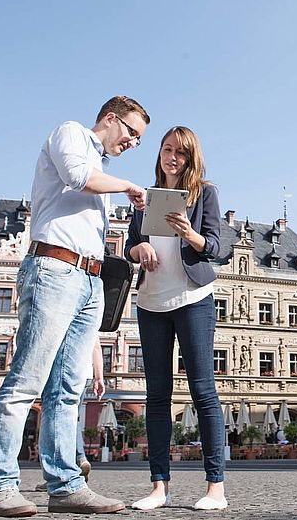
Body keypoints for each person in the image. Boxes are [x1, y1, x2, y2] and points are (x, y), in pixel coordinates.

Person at [0, 95, 149, 518]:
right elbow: (77, 177)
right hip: (54, 268)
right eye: (132, 133)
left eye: (138, 139)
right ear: (111, 119)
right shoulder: (71, 133)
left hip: (90, 280)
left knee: (67, 390)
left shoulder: (103, 172)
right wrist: (128, 186)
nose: (132, 142)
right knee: (27, 380)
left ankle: (66, 485)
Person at [125, 126, 227, 511]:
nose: (172, 157)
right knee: (157, 396)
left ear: (191, 157)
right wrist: (140, 250)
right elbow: (132, 248)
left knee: (203, 392)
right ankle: (158, 487)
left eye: (180, 152)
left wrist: (191, 234)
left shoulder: (205, 193)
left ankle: (215, 487)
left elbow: (216, 246)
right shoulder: (147, 198)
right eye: (167, 150)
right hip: (151, 301)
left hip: (193, 298)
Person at [35, 337, 105, 492]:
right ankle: (79, 460)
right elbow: (97, 347)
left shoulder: (62, 312)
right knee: (71, 418)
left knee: (56, 419)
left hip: (60, 369)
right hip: (84, 373)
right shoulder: (89, 313)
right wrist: (98, 377)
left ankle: (59, 473)